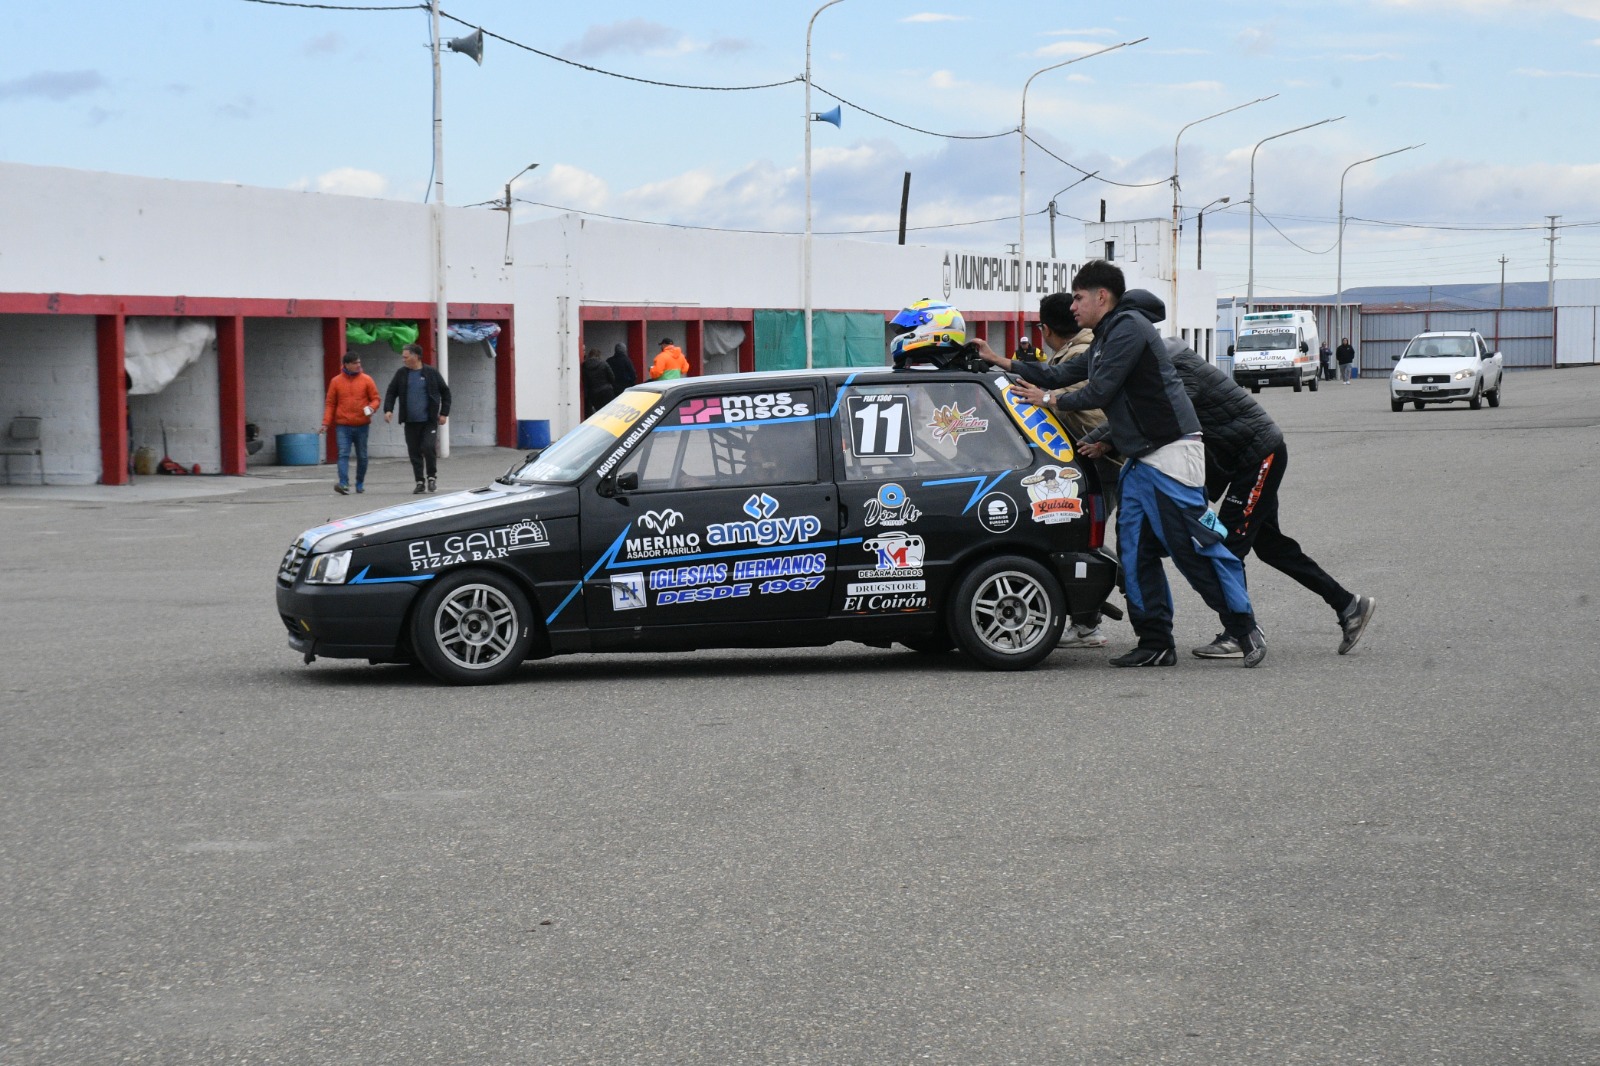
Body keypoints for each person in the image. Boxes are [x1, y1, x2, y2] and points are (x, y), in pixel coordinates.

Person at [974, 259, 1266, 668]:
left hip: (1169, 454)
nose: (1072, 306)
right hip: (1141, 459)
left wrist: (1049, 400)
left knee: (1191, 548)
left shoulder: (1129, 327)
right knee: (1134, 552)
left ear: (1101, 297)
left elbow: (1100, 389)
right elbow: (1064, 372)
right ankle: (1155, 642)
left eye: (1078, 297)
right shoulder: (1107, 334)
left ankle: (1243, 627)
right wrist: (1001, 361)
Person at [1080, 338, 1377, 658]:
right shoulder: (1163, 365)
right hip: (1242, 461)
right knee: (1272, 547)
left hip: (1258, 456)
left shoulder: (1179, 370)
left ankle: (1239, 632)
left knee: (1227, 545)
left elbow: (1156, 413)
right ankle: (1349, 605)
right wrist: (1087, 443)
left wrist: (1101, 441)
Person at [1031, 291, 1119, 650]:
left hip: (1106, 460)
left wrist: (1039, 394)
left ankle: (1087, 624)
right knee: (1086, 540)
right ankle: (1088, 620)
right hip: (1099, 458)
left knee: (1087, 542)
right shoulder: (1081, 349)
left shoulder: (1081, 353)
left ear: (1046, 329)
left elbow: (1066, 399)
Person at [383, 342, 451, 494]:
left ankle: (431, 477)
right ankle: (420, 481)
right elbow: (391, 392)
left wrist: (444, 413)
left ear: (416, 357)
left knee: (428, 447)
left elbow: (445, 392)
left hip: (429, 420)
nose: (403, 360)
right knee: (414, 451)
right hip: (410, 421)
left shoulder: (431, 373)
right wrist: (388, 409)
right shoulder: (401, 374)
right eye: (403, 357)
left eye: (406, 357)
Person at [322, 352, 381, 495]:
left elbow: (376, 399)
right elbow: (330, 404)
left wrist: (371, 407)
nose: (358, 365)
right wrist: (326, 423)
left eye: (359, 362)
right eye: (355, 363)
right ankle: (344, 483)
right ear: (346, 365)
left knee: (362, 455)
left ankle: (360, 482)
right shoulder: (336, 381)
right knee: (343, 454)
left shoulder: (367, 380)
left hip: (362, 425)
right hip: (343, 425)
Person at [582, 348, 616, 416]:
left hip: (594, 393)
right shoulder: (604, 364)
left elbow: (585, 381)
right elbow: (612, 378)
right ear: (599, 355)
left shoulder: (585, 366)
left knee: (599, 413)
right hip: (607, 391)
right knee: (610, 412)